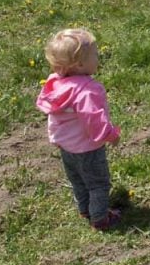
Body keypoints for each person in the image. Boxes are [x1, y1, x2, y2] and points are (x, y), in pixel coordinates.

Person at [36, 28, 122, 230]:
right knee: (98, 184)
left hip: (66, 146)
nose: (98, 57)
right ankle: (100, 218)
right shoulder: (88, 90)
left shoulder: (55, 85)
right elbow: (94, 121)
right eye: (95, 54)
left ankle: (85, 209)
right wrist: (111, 135)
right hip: (88, 148)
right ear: (80, 64)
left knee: (78, 180)